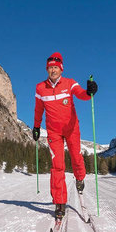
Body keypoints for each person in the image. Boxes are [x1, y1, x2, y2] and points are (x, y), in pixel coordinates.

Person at [33, 52, 98, 221]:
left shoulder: (69, 83)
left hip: (71, 129)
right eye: (50, 68)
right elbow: (38, 109)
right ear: (47, 69)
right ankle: (59, 202)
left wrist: (90, 91)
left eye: (55, 67)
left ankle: (80, 179)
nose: (53, 70)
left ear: (61, 69)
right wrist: (36, 126)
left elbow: (82, 94)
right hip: (53, 132)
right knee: (57, 166)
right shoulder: (40, 88)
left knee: (76, 157)